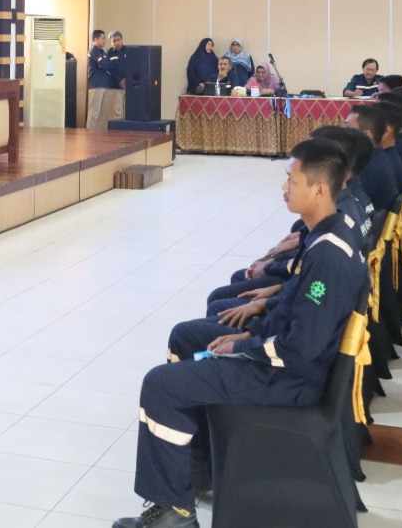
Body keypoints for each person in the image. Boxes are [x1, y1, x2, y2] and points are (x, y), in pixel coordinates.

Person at [115, 139, 368, 528]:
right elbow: (299, 314)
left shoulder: (330, 255)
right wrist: (252, 324)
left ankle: (175, 512)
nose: (284, 188)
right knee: (188, 341)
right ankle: (197, 461)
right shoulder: (323, 235)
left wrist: (242, 345)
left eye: (291, 180)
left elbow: (301, 348)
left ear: (319, 188)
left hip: (286, 378)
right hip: (281, 359)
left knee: (161, 385)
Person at [88, 29, 114, 130]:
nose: (104, 41)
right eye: (102, 38)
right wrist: (106, 63)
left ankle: (98, 135)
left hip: (104, 85)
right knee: (94, 112)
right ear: (96, 39)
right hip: (96, 85)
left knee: (102, 114)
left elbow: (108, 64)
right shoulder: (93, 51)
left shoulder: (102, 52)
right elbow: (104, 64)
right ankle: (90, 133)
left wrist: (106, 63)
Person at [102, 31, 129, 123]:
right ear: (110, 42)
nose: (117, 43)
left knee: (129, 110)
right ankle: (118, 132)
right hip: (116, 86)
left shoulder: (129, 51)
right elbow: (109, 70)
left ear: (122, 40)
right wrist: (119, 80)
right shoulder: (108, 53)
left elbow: (134, 66)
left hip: (130, 85)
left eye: (118, 40)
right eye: (114, 41)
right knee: (117, 111)